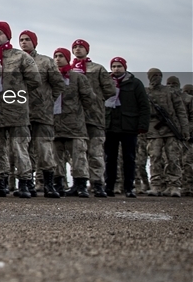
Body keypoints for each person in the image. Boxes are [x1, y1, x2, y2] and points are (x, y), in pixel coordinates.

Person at [0, 22, 41, 198]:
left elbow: (35, 81)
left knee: (19, 147)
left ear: (8, 36)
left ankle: (25, 182)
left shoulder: (20, 57)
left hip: (16, 110)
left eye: (0, 33)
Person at [17, 30, 65, 197]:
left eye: (27, 40)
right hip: (21, 112)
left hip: (42, 113)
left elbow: (58, 84)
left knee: (44, 148)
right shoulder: (15, 60)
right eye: (21, 40)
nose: (24, 42)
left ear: (34, 42)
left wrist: (47, 100)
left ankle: (48, 184)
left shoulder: (45, 62)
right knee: (24, 149)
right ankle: (27, 183)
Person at [51, 48, 99, 197]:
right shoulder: (50, 77)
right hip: (54, 124)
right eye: (55, 56)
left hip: (75, 124)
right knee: (55, 157)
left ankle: (80, 185)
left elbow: (89, 99)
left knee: (78, 156)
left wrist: (80, 114)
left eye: (61, 56)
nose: (58, 59)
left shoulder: (78, 78)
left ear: (67, 58)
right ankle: (58, 184)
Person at [103, 57, 150, 197]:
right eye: (114, 66)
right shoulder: (107, 83)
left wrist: (142, 125)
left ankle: (129, 188)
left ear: (124, 67)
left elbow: (144, 106)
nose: (116, 69)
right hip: (110, 126)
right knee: (109, 158)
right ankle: (109, 187)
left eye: (119, 66)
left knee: (129, 158)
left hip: (129, 126)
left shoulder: (135, 83)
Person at [70, 40, 112, 197]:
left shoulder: (97, 69)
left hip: (94, 117)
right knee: (77, 152)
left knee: (96, 152)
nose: (78, 49)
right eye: (75, 47)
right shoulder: (70, 70)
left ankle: (98, 183)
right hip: (74, 118)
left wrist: (96, 101)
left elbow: (110, 90)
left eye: (80, 47)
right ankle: (78, 183)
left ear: (86, 50)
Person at [144, 68, 187, 197]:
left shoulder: (171, 92)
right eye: (154, 75)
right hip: (153, 130)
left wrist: (184, 130)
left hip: (171, 130)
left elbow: (181, 111)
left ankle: (174, 185)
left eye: (159, 75)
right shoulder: (146, 92)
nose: (157, 77)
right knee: (155, 157)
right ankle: (156, 185)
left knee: (173, 158)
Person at [167, 76, 193, 196]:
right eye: (169, 83)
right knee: (171, 160)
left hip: (186, 136)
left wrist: (187, 131)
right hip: (170, 134)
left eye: (174, 83)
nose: (171, 85)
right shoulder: (168, 98)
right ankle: (171, 185)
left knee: (186, 162)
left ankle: (187, 187)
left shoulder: (188, 99)